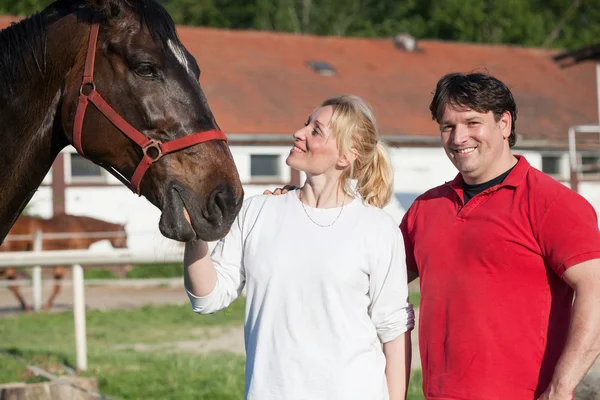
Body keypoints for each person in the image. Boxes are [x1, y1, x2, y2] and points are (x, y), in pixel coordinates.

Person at [184, 95, 415, 400]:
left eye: (315, 131)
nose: (299, 133)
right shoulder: (258, 212)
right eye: (307, 123)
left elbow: (394, 330)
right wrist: (193, 235)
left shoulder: (378, 230)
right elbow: (207, 298)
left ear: (345, 157)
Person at [400, 72, 600, 400]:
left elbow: (596, 290)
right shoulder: (426, 208)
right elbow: (370, 280)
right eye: (447, 126)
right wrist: (300, 206)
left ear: (504, 124)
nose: (458, 137)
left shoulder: (552, 203)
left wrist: (562, 387)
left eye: (472, 122)